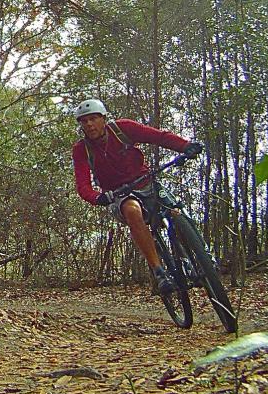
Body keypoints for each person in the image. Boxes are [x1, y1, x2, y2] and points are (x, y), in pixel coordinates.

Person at [70, 99, 203, 293]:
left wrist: (185, 146)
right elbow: (83, 185)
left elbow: (158, 137)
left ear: (104, 119)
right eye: (84, 121)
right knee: (132, 210)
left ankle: (203, 258)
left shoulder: (123, 128)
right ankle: (160, 273)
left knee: (176, 211)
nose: (89, 124)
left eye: (93, 119)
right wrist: (98, 197)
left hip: (147, 183)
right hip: (119, 194)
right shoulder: (81, 150)